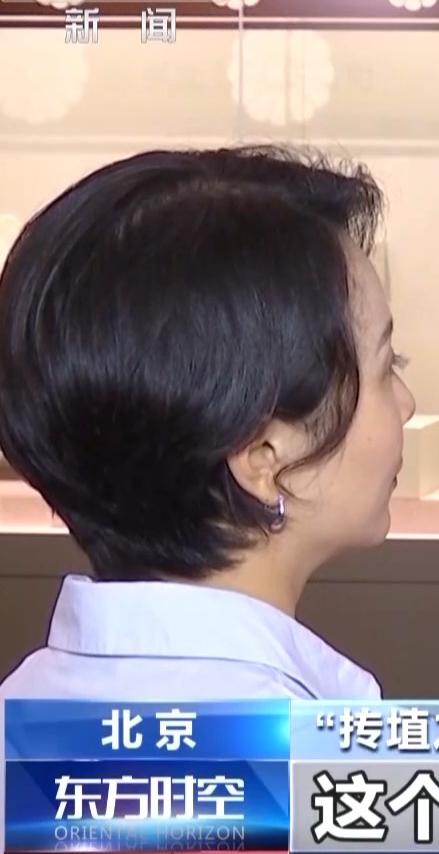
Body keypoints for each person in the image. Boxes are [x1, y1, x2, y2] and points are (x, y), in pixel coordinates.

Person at [0, 145, 413, 700]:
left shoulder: (20, 707)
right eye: (387, 367)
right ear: (264, 457)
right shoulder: (313, 749)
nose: (406, 403)